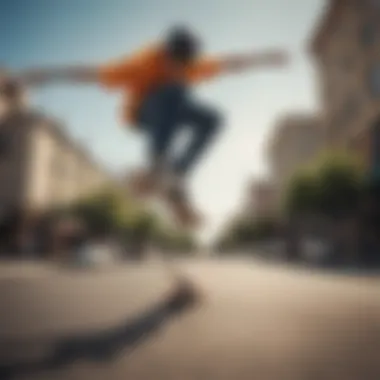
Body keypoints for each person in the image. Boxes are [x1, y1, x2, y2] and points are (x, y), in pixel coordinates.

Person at [8, 26, 289, 226]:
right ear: (165, 55)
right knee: (171, 92)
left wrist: (265, 58)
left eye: (182, 67)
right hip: (142, 116)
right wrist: (37, 75)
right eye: (171, 64)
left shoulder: (192, 67)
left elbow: (229, 64)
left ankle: (177, 174)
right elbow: (87, 74)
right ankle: (158, 166)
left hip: (174, 113)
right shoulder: (141, 64)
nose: (177, 71)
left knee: (214, 119)